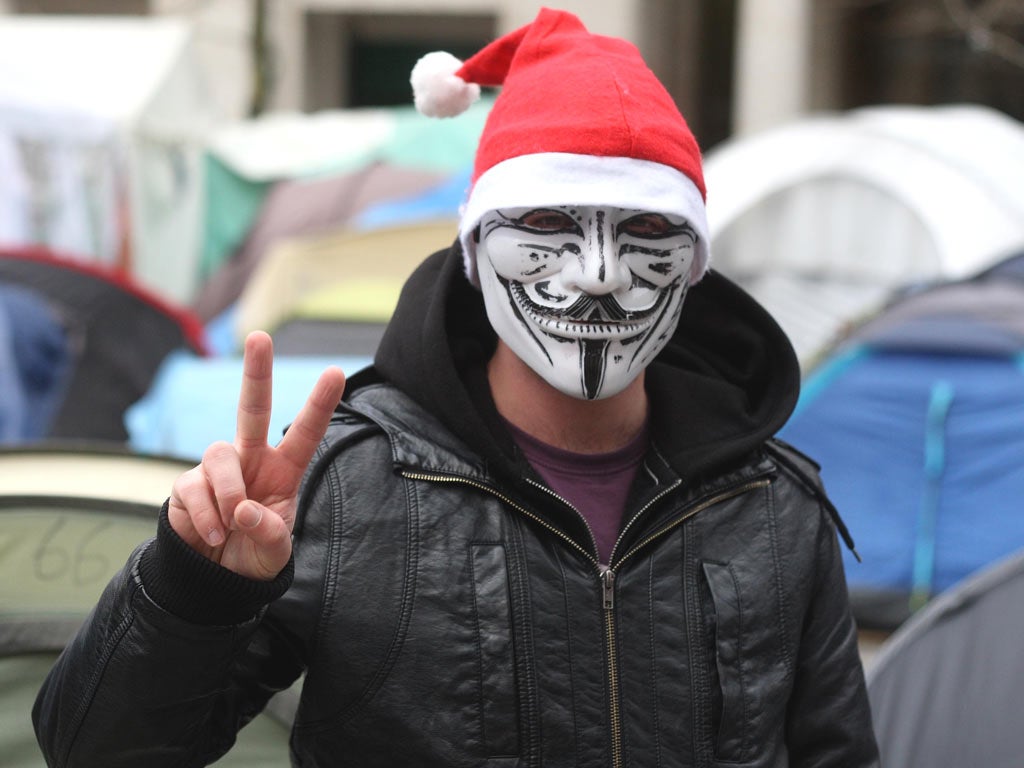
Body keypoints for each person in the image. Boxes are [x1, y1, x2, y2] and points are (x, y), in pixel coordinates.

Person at [33, 8, 879, 767]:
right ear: (476, 252)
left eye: (649, 230)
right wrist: (196, 590)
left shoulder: (773, 506)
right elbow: (94, 752)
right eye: (546, 224)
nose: (596, 275)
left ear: (693, 266)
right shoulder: (346, 489)